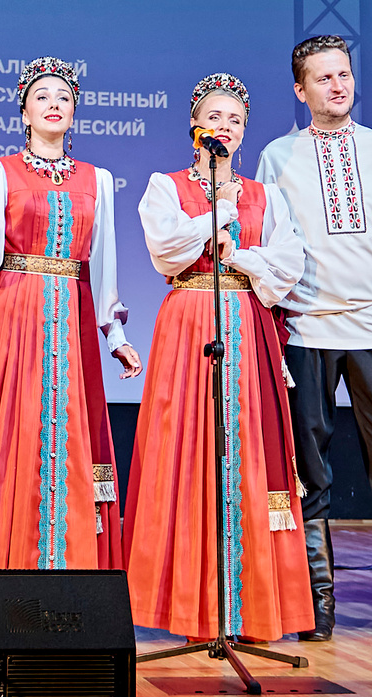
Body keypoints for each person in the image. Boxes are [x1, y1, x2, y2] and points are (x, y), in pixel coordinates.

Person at [253, 35, 372, 639]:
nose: (338, 86)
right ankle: (318, 600)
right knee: (309, 460)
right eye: (323, 78)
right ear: (300, 89)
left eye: (344, 75)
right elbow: (268, 240)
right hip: (306, 326)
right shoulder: (277, 156)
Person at [0, 57, 141, 574]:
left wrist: (114, 334)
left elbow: (103, 267)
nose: (53, 104)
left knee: (69, 435)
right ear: (24, 111)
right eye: (42, 96)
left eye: (64, 97)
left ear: (74, 113)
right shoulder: (0, 172)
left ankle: (68, 575)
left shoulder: (98, 179)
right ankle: (2, 565)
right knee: (12, 433)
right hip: (14, 315)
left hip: (71, 320)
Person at [125, 75, 312, 642]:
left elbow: (287, 265)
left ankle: (248, 606)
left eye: (234, 119)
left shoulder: (266, 194)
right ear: (193, 127)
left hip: (246, 321)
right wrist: (217, 211)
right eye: (214, 116)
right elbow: (166, 249)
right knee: (189, 449)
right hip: (189, 319)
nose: (224, 127)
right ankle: (190, 606)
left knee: (247, 452)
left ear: (244, 130)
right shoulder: (165, 185)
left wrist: (245, 255)